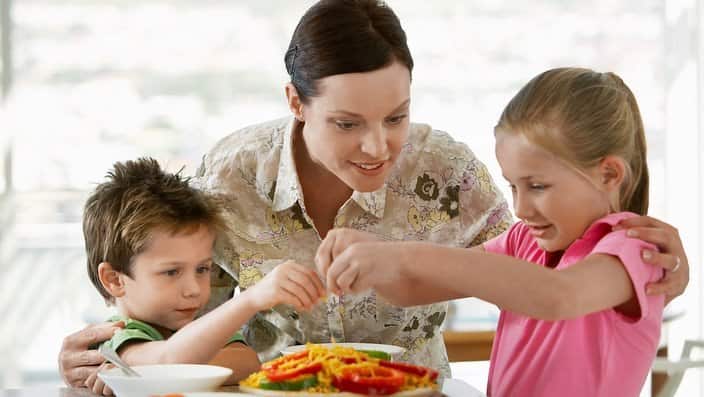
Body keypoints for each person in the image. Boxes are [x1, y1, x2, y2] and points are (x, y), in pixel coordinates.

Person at [58, 0, 690, 390]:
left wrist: (675, 273)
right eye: (347, 123)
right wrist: (113, 351)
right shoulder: (227, 178)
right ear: (296, 103)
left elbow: (554, 271)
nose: (377, 147)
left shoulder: (448, 171)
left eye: (396, 117)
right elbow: (165, 295)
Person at [316, 67, 678, 396]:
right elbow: (412, 288)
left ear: (609, 175)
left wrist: (401, 255)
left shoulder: (634, 250)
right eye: (513, 187)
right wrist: (373, 257)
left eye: (537, 186)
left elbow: (558, 297)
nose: (520, 208)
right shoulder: (524, 241)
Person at [81, 158, 324, 395]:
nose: (194, 289)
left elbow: (247, 361)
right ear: (115, 279)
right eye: (171, 272)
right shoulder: (118, 339)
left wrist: (167, 368)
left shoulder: (200, 326)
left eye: (202, 269)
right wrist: (251, 299)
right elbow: (169, 360)